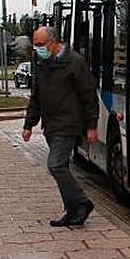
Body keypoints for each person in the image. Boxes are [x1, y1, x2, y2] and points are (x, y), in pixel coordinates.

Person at [22, 27, 99, 226]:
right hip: (51, 125)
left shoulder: (75, 62)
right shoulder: (42, 63)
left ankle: (82, 202)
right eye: (35, 45)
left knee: (55, 164)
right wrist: (29, 124)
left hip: (69, 124)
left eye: (40, 45)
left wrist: (92, 125)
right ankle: (73, 211)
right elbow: (36, 97)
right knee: (60, 167)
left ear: (53, 42)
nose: (37, 49)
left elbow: (89, 95)